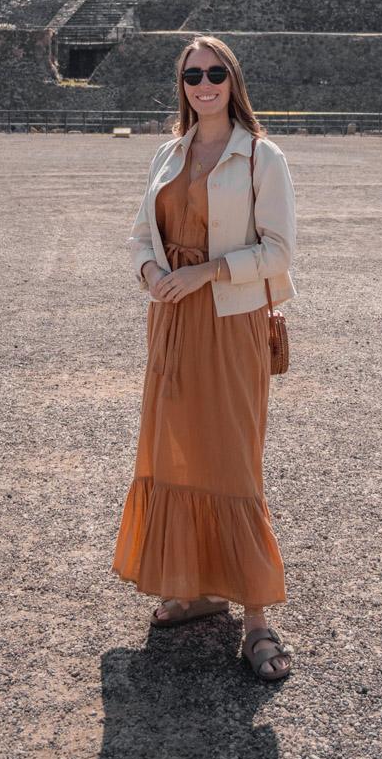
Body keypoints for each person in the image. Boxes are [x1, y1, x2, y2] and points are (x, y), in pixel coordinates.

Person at [112, 35, 298, 681]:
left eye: (216, 72)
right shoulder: (170, 153)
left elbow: (278, 252)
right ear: (182, 84)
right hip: (172, 323)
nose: (204, 83)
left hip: (229, 322)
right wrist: (149, 273)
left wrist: (207, 273)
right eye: (193, 74)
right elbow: (140, 234)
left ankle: (256, 621)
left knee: (234, 459)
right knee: (177, 450)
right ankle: (197, 590)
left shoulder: (260, 157)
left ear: (233, 80)